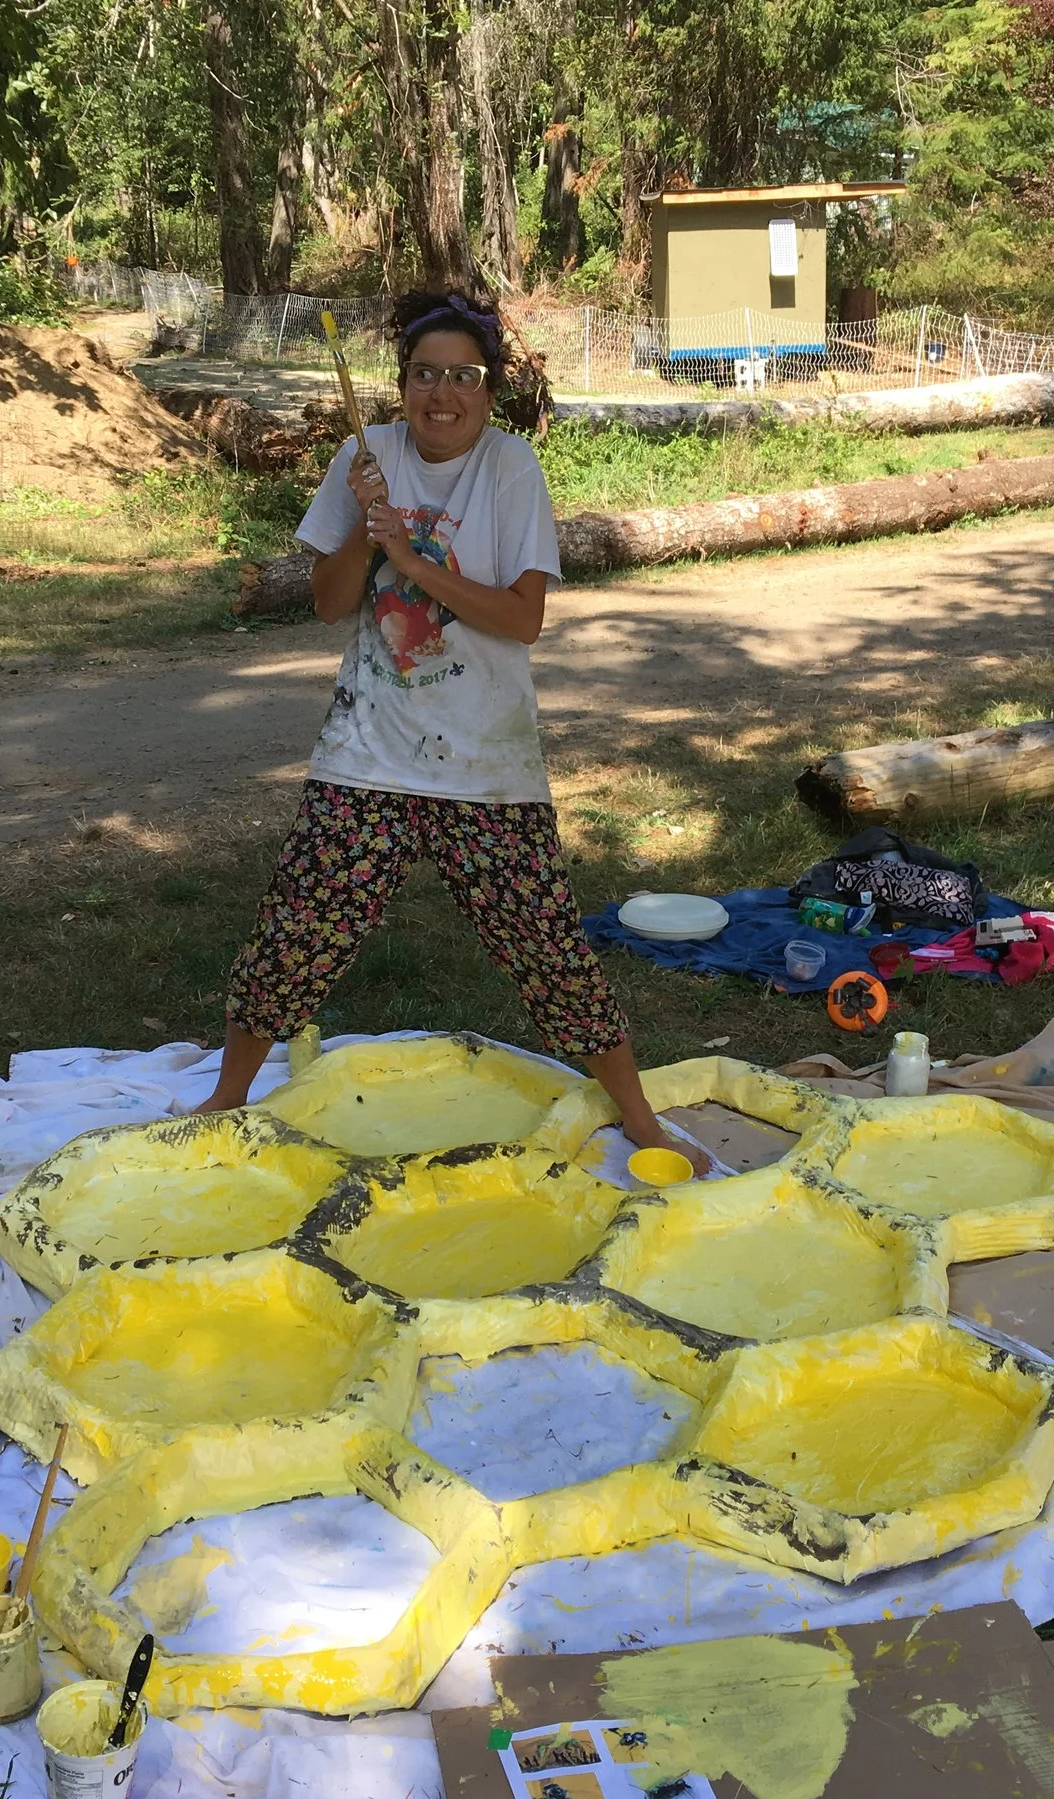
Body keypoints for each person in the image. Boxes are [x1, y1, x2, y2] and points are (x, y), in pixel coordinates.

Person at [194, 287, 703, 1170]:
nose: (441, 394)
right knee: (297, 927)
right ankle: (225, 1095)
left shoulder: (511, 469)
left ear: (488, 387)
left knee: (549, 949)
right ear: (400, 383)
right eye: (424, 374)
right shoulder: (366, 455)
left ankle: (640, 1115)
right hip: (368, 755)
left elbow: (521, 618)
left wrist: (409, 557)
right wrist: (362, 522)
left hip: (486, 762)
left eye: (461, 377)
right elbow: (328, 606)